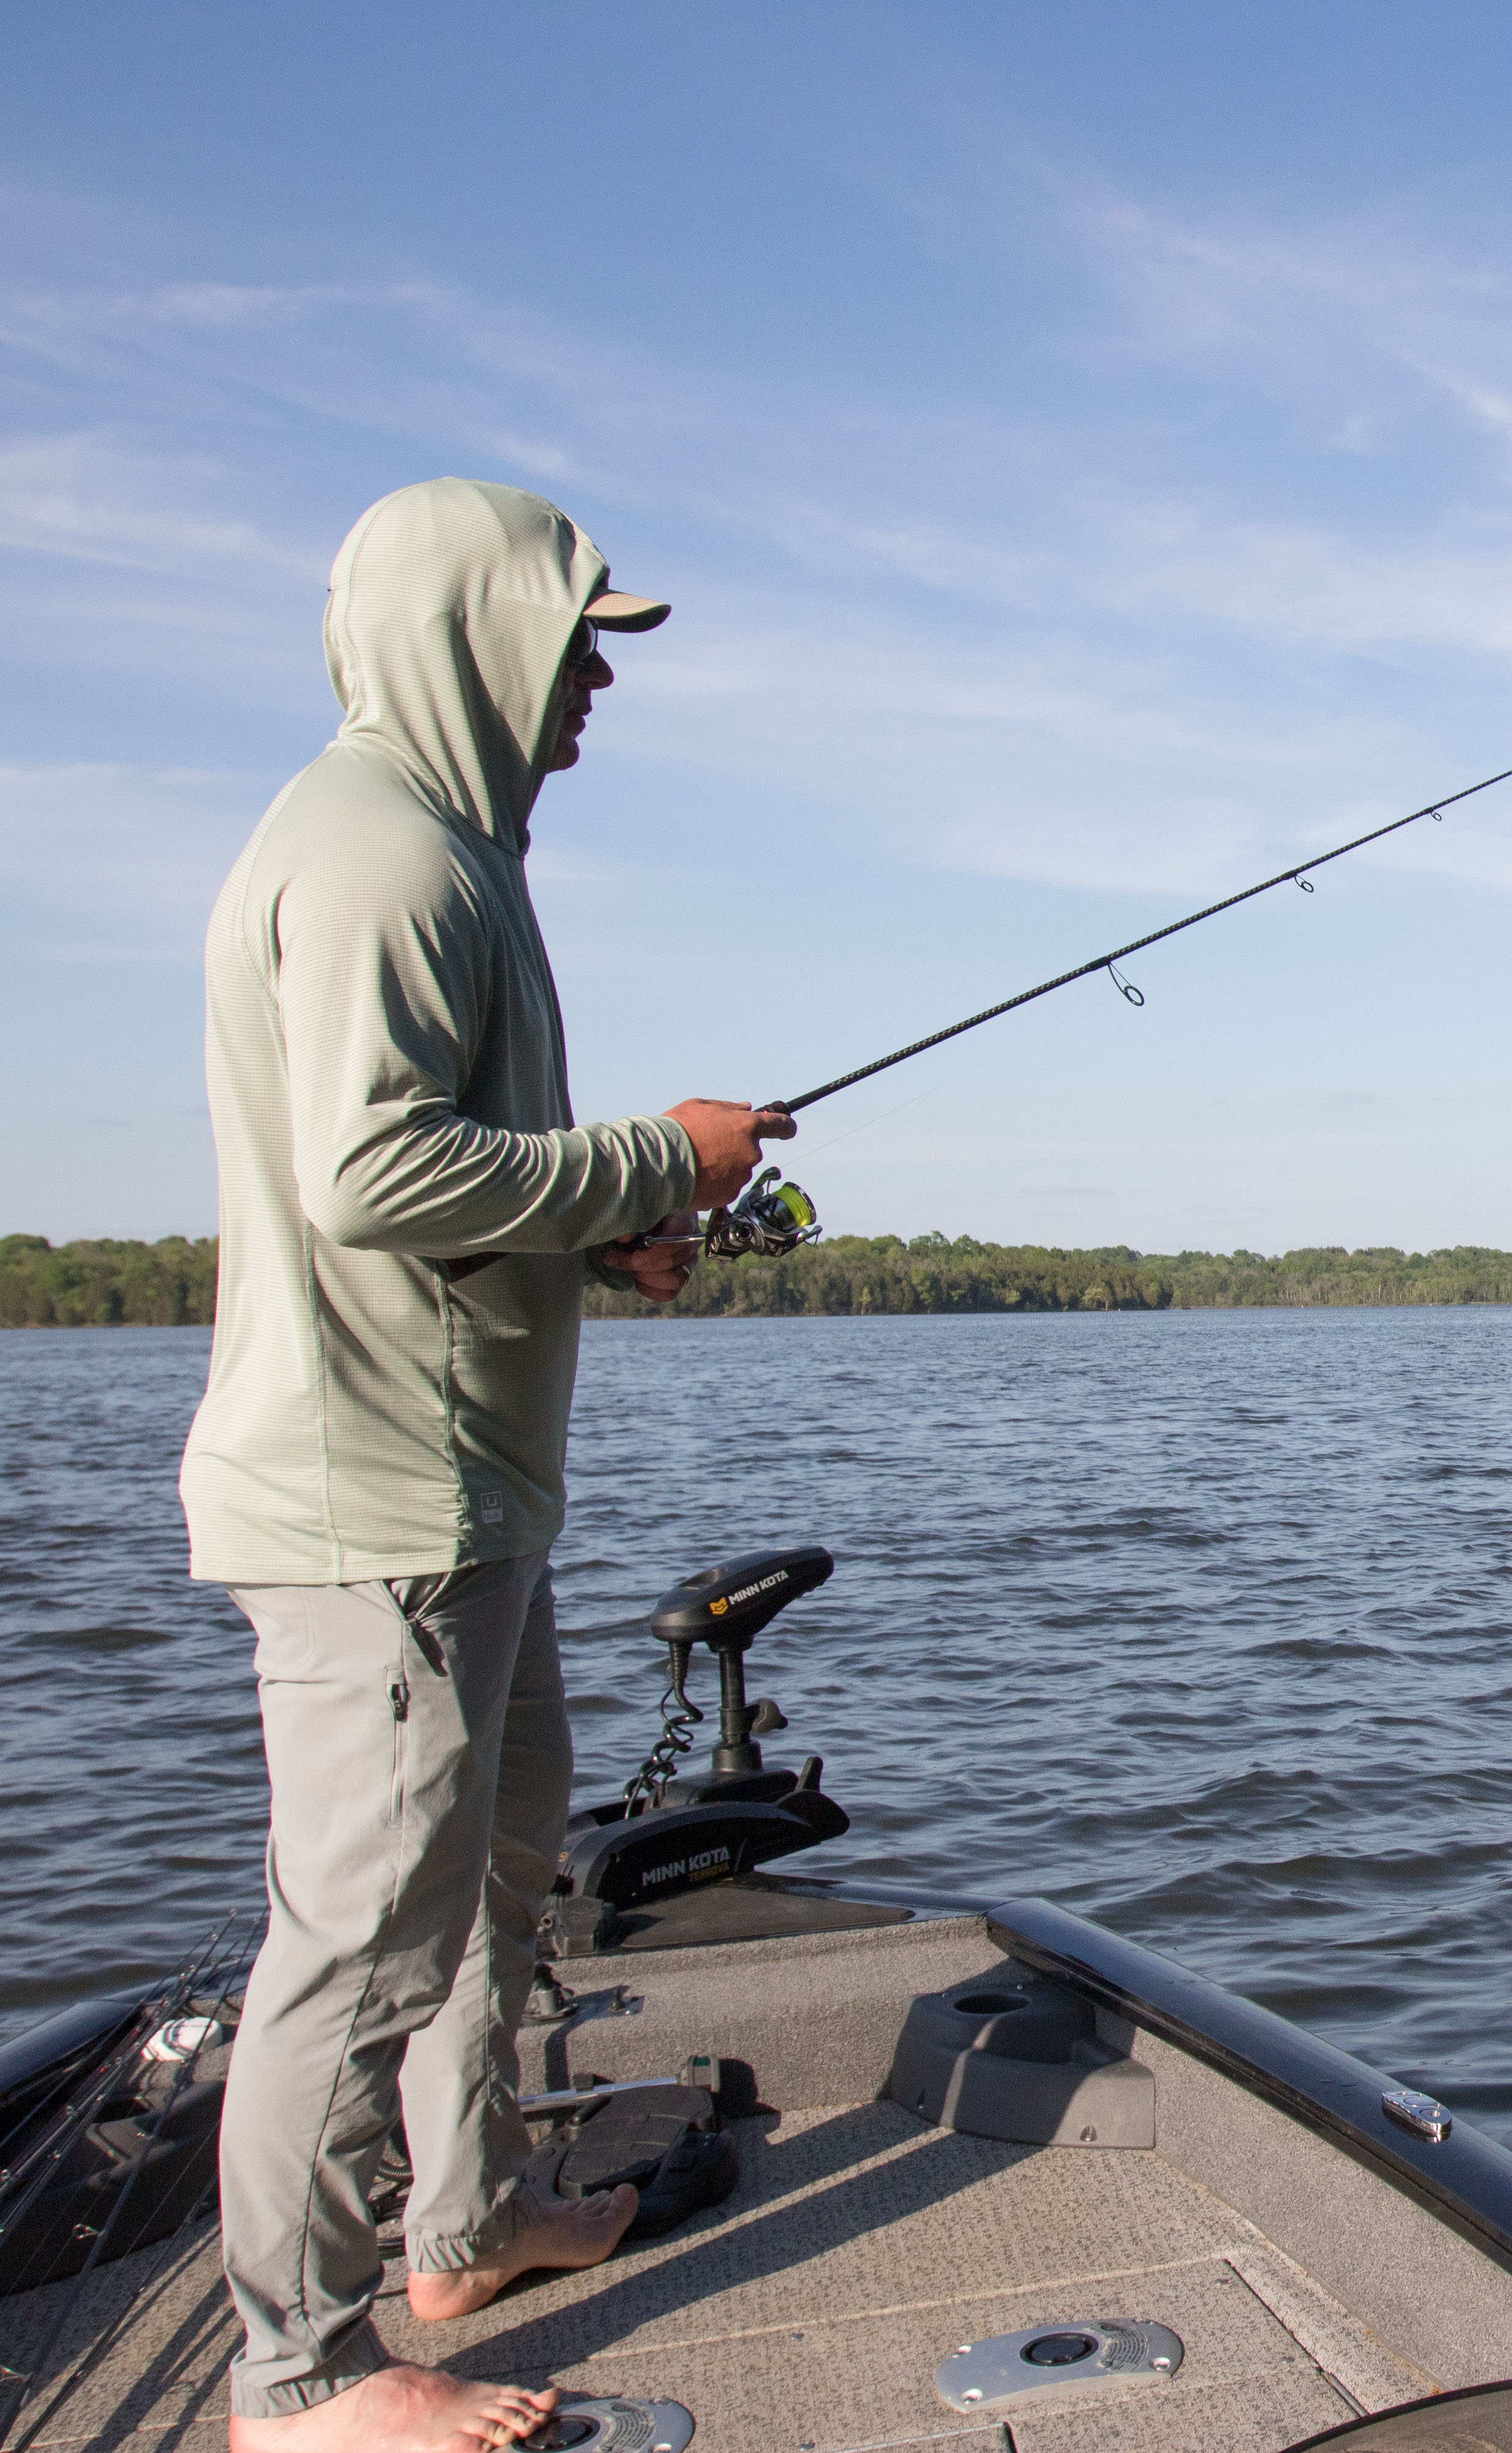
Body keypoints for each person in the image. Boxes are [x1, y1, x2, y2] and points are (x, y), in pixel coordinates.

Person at [178, 478, 792, 2453]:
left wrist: (594, 1235)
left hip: (467, 1499)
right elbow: (368, 1176)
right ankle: (299, 2379)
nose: (599, 679)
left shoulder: (451, 853)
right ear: (475, 631)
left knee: (497, 1873)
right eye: (579, 636)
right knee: (360, 1939)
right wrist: (651, 1163)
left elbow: (444, 1178)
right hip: (377, 1508)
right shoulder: (382, 858)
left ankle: (463, 2226)